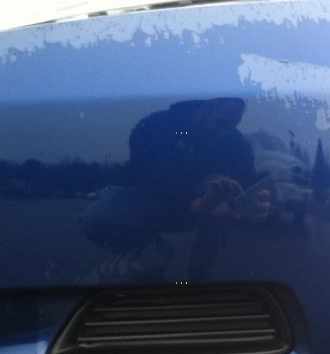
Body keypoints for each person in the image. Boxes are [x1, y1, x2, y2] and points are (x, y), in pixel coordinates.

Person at [80, 97, 270, 283]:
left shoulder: (233, 141)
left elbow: (248, 183)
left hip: (201, 208)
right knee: (94, 218)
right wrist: (190, 202)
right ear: (206, 107)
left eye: (232, 125)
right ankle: (150, 255)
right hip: (152, 203)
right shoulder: (158, 125)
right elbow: (149, 170)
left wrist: (252, 203)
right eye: (221, 122)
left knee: (223, 186)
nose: (223, 132)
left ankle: (202, 275)